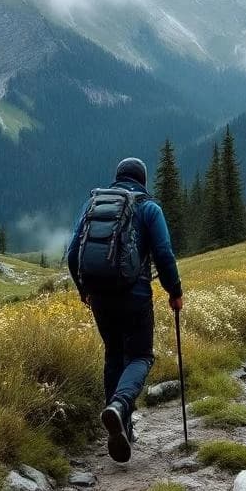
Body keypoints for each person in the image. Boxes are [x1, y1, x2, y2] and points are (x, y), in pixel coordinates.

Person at [65, 157, 182, 463]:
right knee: (141, 355)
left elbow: (73, 252)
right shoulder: (148, 208)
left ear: (116, 178)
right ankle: (118, 407)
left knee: (114, 354)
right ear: (142, 180)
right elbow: (164, 254)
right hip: (136, 295)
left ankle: (122, 429)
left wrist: (84, 291)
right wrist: (175, 293)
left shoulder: (93, 205)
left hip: (100, 296)